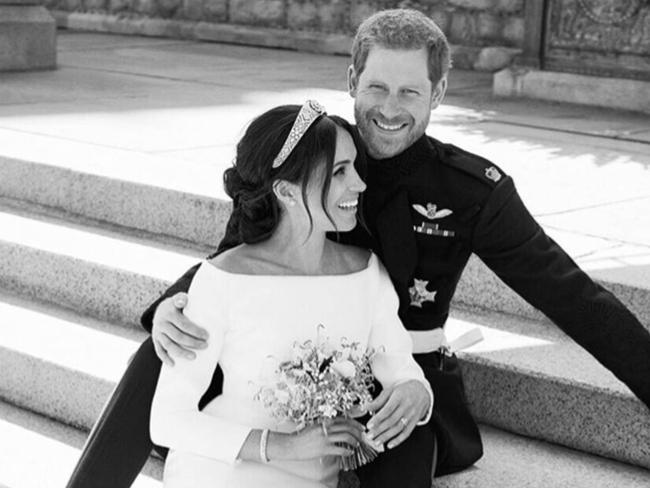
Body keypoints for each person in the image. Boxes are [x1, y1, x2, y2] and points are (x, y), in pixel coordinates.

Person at [67, 8, 650, 488]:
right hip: (285, 365)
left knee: (398, 462)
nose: (390, 108)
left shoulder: (472, 191)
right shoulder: (309, 158)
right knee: (159, 354)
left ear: (438, 92)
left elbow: (572, 295)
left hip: (397, 379)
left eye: (409, 91)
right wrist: (174, 305)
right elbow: (239, 256)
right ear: (351, 82)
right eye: (375, 87)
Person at [146, 101, 432, 487]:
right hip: (225, 467)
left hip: (317, 472)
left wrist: (416, 390)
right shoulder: (225, 278)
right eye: (340, 172)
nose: (360, 184)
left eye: (355, 168)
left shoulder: (365, 272)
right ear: (287, 191)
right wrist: (280, 446)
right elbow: (167, 419)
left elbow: (397, 362)